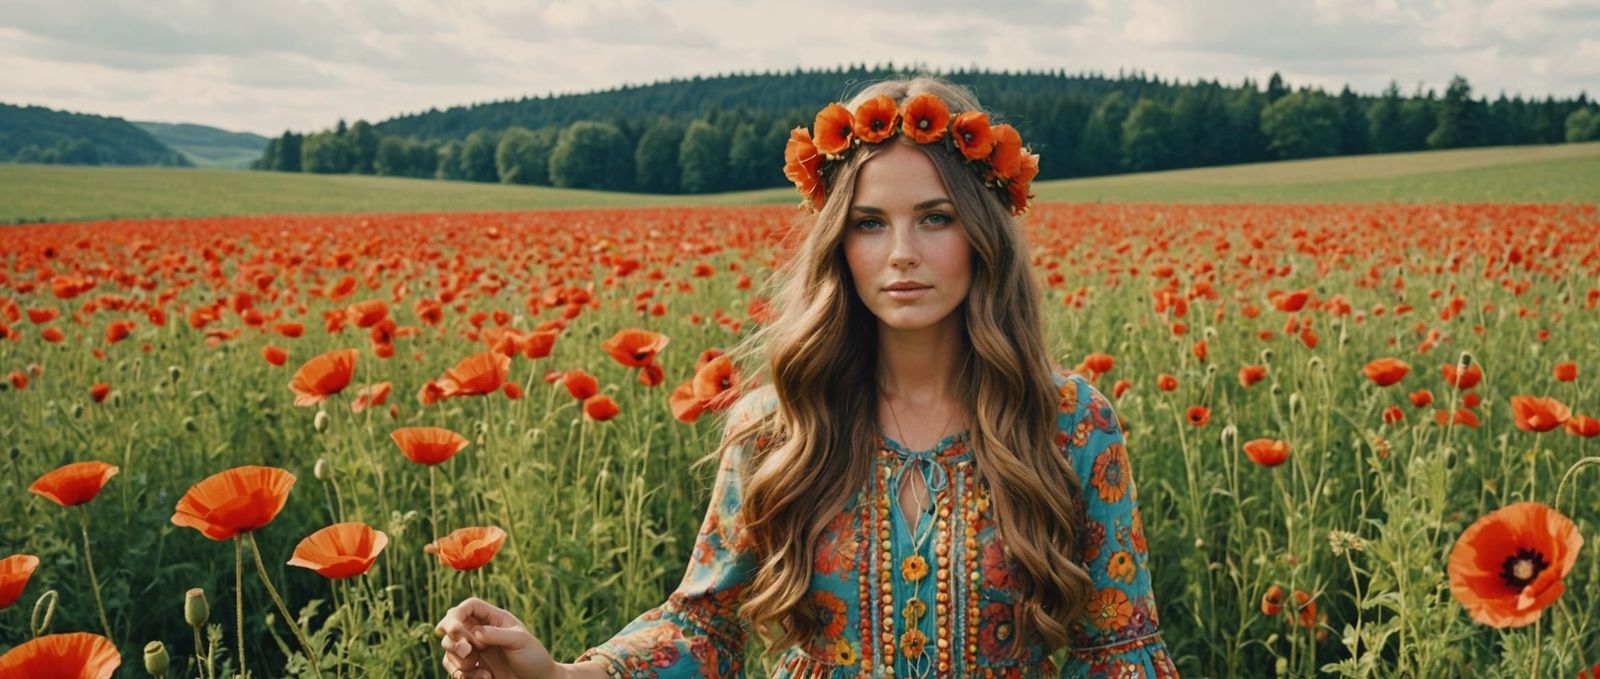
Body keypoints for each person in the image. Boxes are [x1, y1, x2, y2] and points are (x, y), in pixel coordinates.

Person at [435, 77, 1177, 678]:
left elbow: (1119, 649)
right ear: (838, 245)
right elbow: (705, 624)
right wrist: (562, 677)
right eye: (870, 222)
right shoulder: (779, 423)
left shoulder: (1070, 422)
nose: (902, 254)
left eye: (937, 218)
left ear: (983, 234)